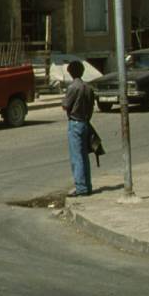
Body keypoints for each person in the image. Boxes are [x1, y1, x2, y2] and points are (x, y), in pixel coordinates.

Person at [62, 60, 94, 197]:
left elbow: (65, 105)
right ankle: (87, 185)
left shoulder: (73, 87)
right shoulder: (88, 87)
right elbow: (92, 107)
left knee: (77, 157)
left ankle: (81, 188)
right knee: (84, 157)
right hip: (85, 122)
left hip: (75, 123)